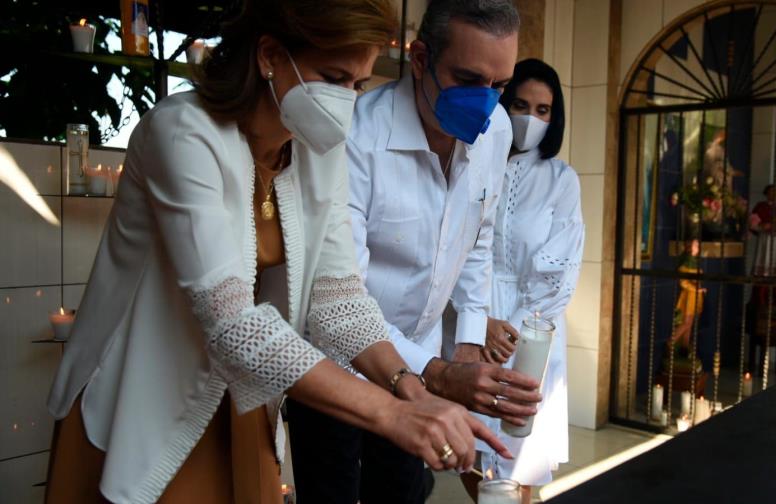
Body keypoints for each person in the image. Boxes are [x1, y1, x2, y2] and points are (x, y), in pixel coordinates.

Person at [43, 2, 508, 503]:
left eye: (358, 85)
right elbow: (232, 323)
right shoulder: (183, 133)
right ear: (269, 55)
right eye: (333, 76)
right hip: (141, 393)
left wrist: (410, 388)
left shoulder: (315, 149)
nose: (347, 101)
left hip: (238, 399)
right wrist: (392, 414)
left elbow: (339, 300)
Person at [286, 1, 542, 503]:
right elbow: (339, 296)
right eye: (469, 80)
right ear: (420, 59)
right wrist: (438, 373)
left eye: (499, 87)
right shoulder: (354, 134)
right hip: (338, 365)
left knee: (403, 494)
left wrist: (467, 343)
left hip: (422, 361)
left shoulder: (497, 133)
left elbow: (477, 238)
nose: (485, 104)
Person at [463, 58, 584, 503]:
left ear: (555, 118)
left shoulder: (562, 180)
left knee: (518, 460)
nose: (530, 118)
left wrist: (509, 330)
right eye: (520, 104)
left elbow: (561, 271)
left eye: (543, 110)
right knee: (471, 453)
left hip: (530, 331)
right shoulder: (473, 160)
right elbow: (455, 249)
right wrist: (480, 324)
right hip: (472, 321)